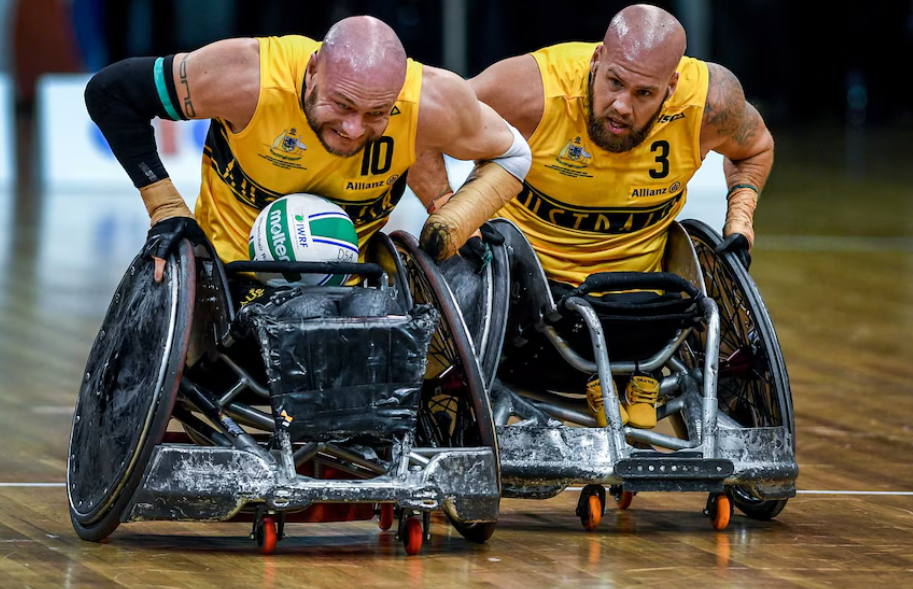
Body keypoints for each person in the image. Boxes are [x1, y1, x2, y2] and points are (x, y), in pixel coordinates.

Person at [408, 4, 774, 429]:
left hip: (640, 310)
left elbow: (755, 147)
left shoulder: (711, 102)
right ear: (597, 59)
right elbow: (417, 122)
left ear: (671, 87)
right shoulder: (532, 90)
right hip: (524, 306)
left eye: (643, 94)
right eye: (614, 82)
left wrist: (740, 220)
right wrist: (446, 207)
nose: (621, 106)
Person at [84, 15, 531, 286]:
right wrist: (166, 209)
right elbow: (111, 92)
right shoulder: (249, 76)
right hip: (227, 273)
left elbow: (514, 153)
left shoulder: (432, 101)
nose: (354, 128)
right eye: (342, 105)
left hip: (356, 283)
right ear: (314, 69)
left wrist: (454, 214)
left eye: (377, 113)